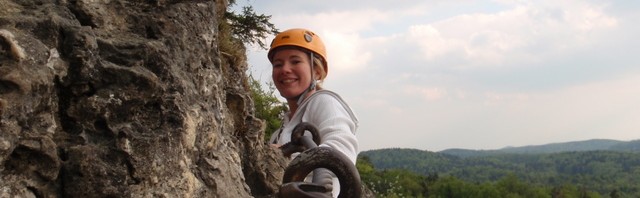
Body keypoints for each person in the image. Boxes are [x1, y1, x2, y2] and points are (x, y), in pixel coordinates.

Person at [267, 28, 359, 196]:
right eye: (278, 64)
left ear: (317, 70)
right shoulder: (282, 129)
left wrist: (284, 155)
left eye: (295, 61)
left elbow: (342, 149)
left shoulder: (324, 101)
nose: (285, 69)